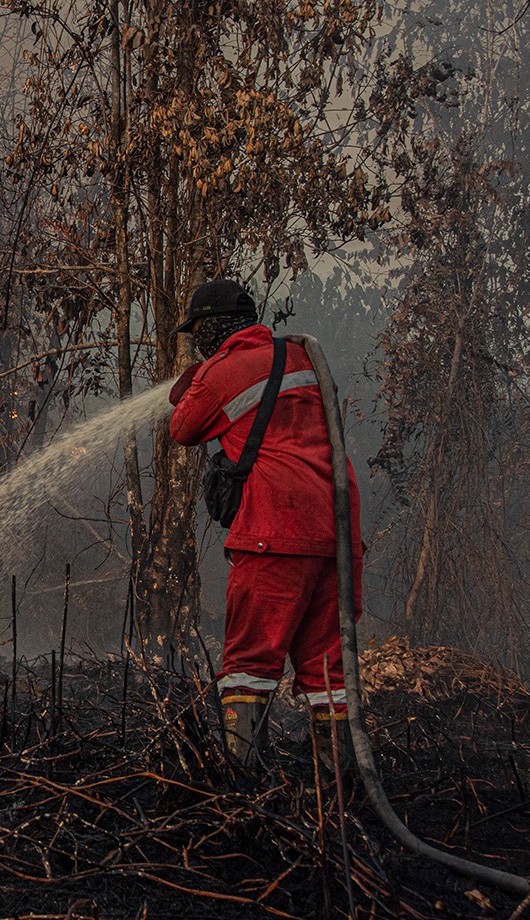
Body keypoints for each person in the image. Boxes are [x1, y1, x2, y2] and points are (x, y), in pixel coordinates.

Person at [167, 279, 363, 771]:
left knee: (249, 669)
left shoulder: (222, 372)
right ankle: (338, 793)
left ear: (212, 330)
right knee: (329, 675)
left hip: (275, 533)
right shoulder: (302, 358)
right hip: (336, 536)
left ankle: (241, 787)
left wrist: (200, 373)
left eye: (197, 334)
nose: (196, 342)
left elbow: (183, 428)